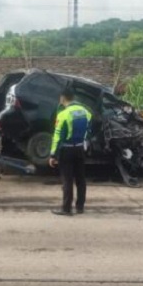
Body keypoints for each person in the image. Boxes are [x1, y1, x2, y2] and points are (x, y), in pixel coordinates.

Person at [48, 87, 92, 216]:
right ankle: (80, 207)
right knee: (80, 179)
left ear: (62, 97)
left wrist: (53, 155)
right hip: (79, 148)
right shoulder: (85, 112)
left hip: (66, 150)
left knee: (67, 180)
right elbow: (89, 131)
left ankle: (66, 208)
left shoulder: (63, 115)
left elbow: (57, 137)